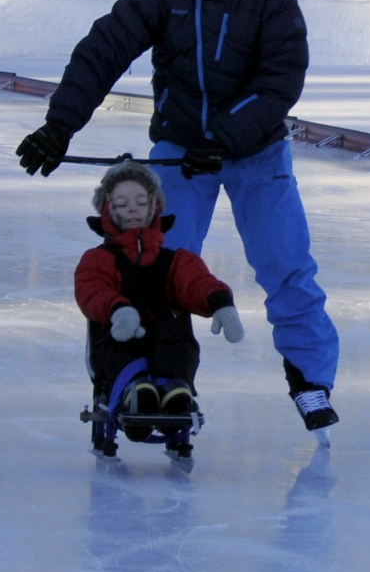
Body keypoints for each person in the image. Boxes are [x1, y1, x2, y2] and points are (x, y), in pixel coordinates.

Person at [16, 0, 339, 437]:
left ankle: (310, 381)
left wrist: (227, 139)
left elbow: (281, 80)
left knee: (286, 264)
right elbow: (103, 49)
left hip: (256, 150)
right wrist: (59, 126)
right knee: (152, 265)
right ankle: (145, 378)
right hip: (180, 151)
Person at [75, 162, 245, 441]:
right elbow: (92, 289)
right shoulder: (98, 259)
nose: (132, 208)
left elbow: (197, 282)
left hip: (164, 334)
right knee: (122, 345)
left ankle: (172, 390)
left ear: (154, 207)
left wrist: (220, 303)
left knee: (176, 336)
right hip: (119, 333)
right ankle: (134, 391)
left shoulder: (176, 260)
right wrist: (118, 310)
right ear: (109, 210)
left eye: (140, 202)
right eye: (122, 203)